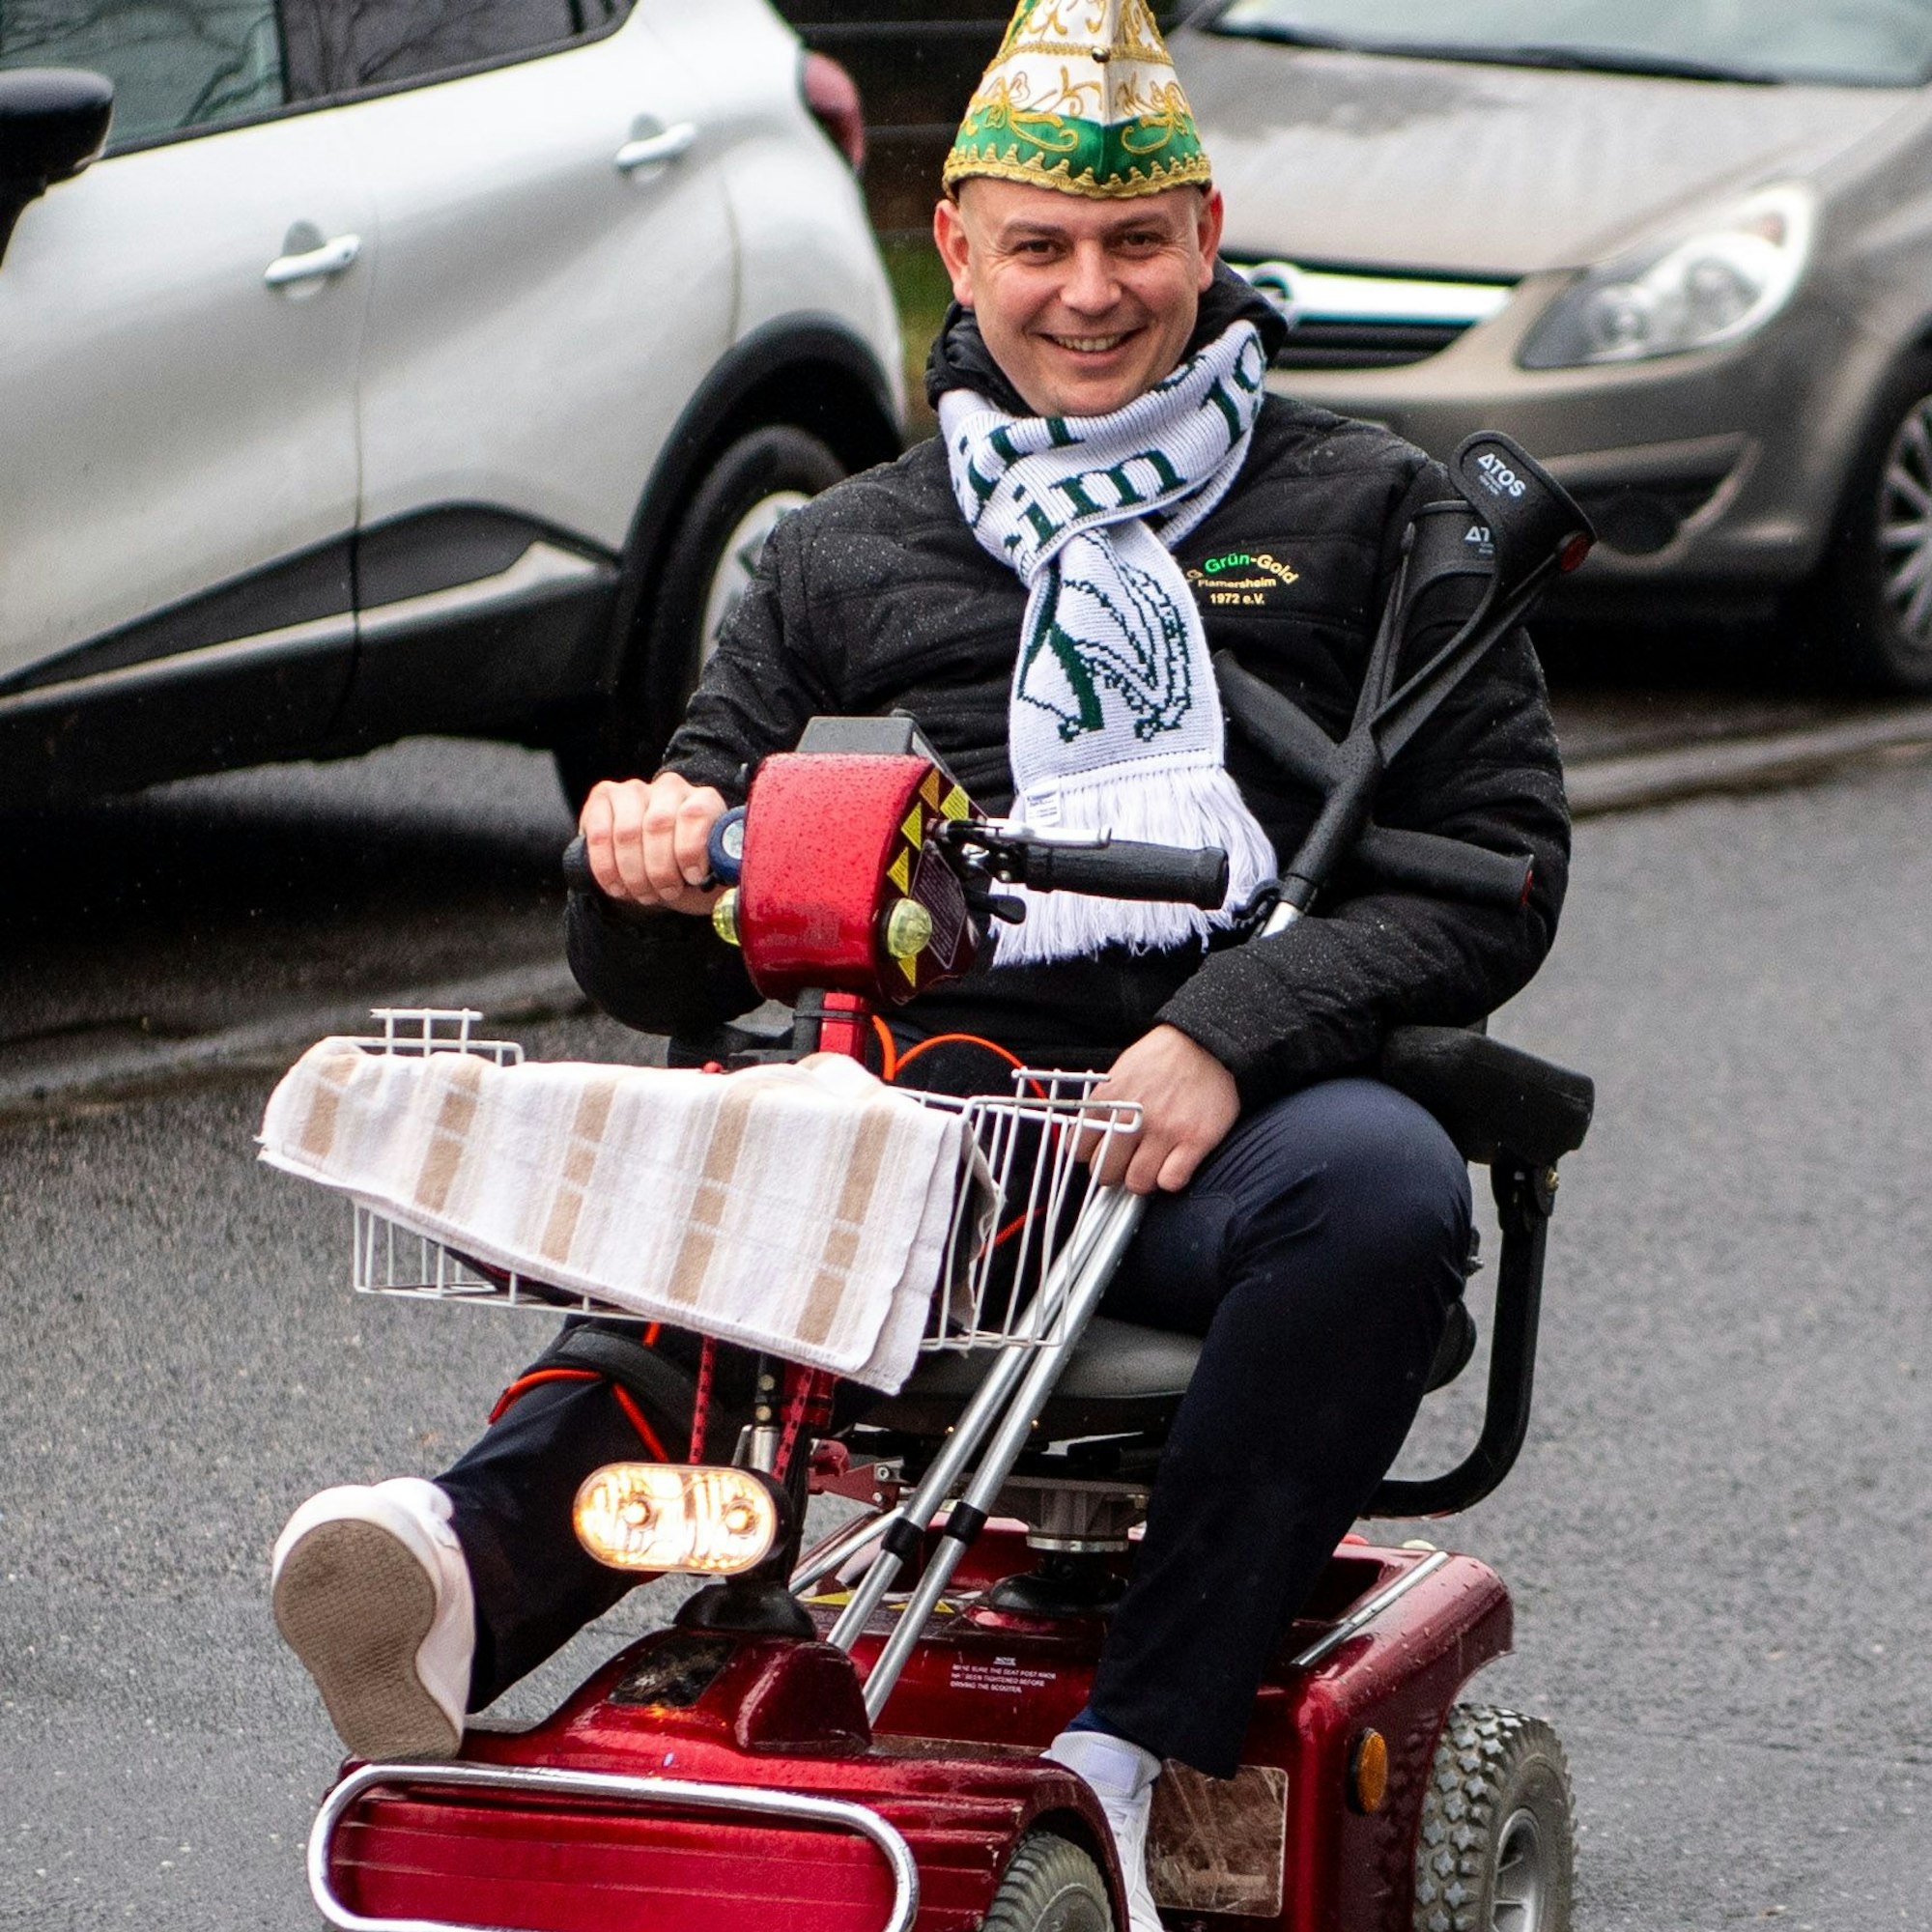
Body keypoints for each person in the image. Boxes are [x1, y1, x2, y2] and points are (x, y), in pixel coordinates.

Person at [270, 5, 1568, 1925]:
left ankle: (1146, 1746)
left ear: (1205, 236)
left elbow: (1489, 870)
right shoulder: (838, 555)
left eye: (1133, 246)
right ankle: (454, 1570)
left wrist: (1226, 1028)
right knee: (718, 1180)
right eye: (1036, 247)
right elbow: (668, 957)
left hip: (1231, 1137)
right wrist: (638, 868)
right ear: (952, 249)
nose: (1090, 294)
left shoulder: (1368, 514)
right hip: (916, 1114)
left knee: (1381, 1190)